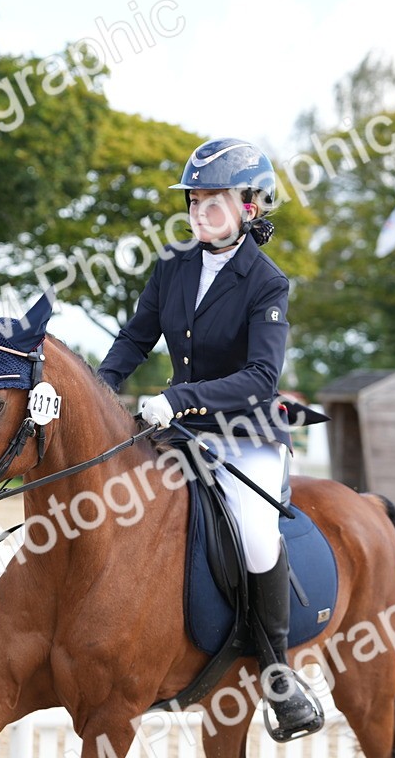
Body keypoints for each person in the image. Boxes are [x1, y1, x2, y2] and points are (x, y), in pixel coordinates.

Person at [97, 138, 322, 739]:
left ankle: (276, 677)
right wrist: (96, 388)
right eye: (193, 201)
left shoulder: (266, 282)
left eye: (212, 202)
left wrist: (177, 398)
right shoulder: (173, 265)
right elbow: (136, 337)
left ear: (250, 206)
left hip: (245, 434)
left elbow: (260, 379)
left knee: (253, 534)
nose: (199, 213)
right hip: (180, 430)